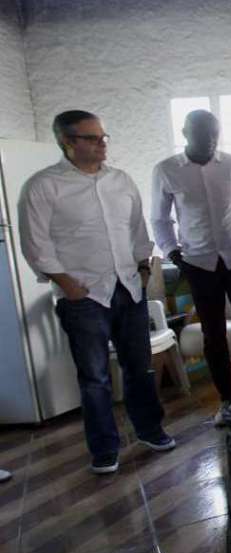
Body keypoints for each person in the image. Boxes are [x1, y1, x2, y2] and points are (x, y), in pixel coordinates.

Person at [18, 110, 175, 474]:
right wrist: (69, 285)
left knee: (140, 369)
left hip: (128, 289)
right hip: (84, 296)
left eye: (103, 137)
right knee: (94, 378)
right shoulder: (44, 186)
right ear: (67, 142)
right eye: (91, 138)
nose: (102, 143)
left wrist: (141, 267)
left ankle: (151, 430)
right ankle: (105, 450)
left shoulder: (120, 181)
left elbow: (138, 229)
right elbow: (35, 243)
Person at [151, 110, 231, 412]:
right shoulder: (167, 170)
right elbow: (160, 218)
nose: (210, 141)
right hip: (199, 264)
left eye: (215, 135)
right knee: (212, 335)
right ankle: (228, 400)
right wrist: (172, 252)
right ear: (186, 133)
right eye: (203, 135)